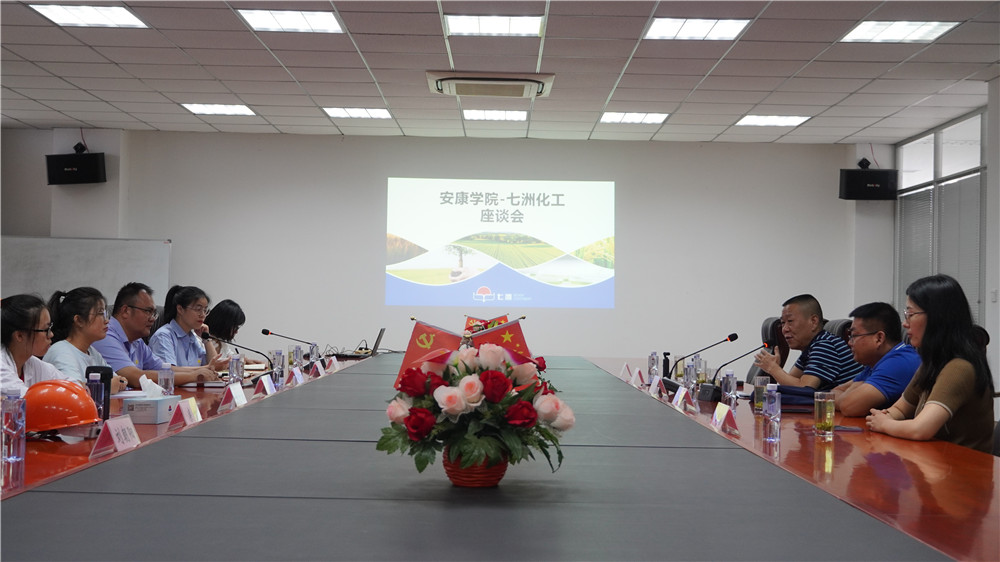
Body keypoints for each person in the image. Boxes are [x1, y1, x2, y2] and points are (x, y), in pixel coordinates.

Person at [867, 275, 995, 453]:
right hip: (934, 461)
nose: (905, 323)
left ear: (937, 317)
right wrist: (885, 416)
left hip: (962, 467)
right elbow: (900, 409)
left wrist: (884, 424)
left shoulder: (960, 367)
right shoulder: (933, 363)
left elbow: (921, 429)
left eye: (910, 314)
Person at [92, 283, 219, 388]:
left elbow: (164, 369)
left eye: (154, 313)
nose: (153, 319)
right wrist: (194, 376)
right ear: (125, 311)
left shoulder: (137, 341)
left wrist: (204, 369)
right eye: (148, 311)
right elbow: (135, 377)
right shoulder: (105, 335)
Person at [753, 294, 863, 390]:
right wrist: (777, 369)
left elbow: (804, 388)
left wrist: (774, 369)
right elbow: (791, 386)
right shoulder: (811, 347)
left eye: (790, 321)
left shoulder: (826, 345)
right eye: (782, 323)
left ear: (813, 321)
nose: (784, 329)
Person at [833, 302, 920, 416]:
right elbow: (834, 392)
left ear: (879, 338)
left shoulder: (899, 363)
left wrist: (851, 391)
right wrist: (853, 390)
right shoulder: (877, 361)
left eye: (854, 336)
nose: (849, 342)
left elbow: (848, 406)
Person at [42, 288, 127, 394]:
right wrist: (107, 386)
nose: (106, 321)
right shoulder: (61, 352)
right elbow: (73, 392)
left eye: (105, 314)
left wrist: (116, 382)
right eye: (100, 313)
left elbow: (118, 379)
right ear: (79, 320)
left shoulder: (92, 352)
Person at [1, 295, 64, 396]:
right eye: (46, 330)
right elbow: (29, 399)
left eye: (50, 328)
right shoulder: (1, 365)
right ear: (19, 336)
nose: (51, 334)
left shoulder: (33, 363)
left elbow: (69, 384)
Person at [149, 285, 224, 370]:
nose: (203, 315)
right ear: (180, 309)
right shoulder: (163, 336)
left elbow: (213, 365)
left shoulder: (192, 337)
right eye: (198, 309)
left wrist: (206, 340)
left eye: (205, 310)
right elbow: (169, 371)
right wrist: (205, 368)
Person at [204, 299, 263, 364]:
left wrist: (250, 361)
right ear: (224, 324)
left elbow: (232, 357)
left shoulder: (221, 343)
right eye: (235, 328)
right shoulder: (201, 341)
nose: (236, 332)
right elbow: (214, 365)